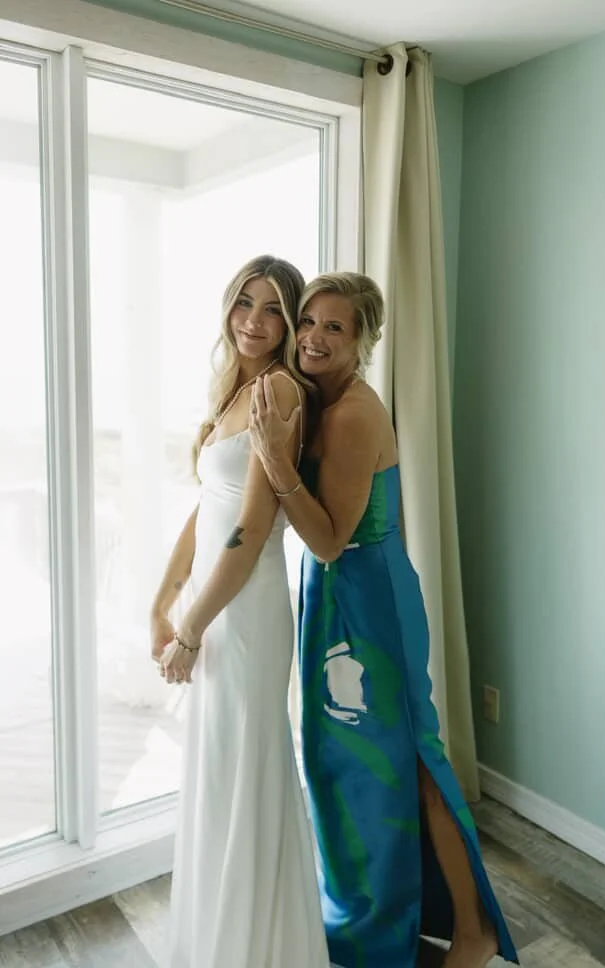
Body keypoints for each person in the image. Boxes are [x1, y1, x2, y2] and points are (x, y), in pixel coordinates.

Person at [249, 271, 519, 968]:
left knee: (414, 763)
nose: (312, 336)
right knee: (347, 765)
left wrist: (278, 465)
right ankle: (371, 916)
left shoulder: (352, 414)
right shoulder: (317, 399)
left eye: (334, 327)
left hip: (369, 600)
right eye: (308, 320)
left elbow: (332, 538)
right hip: (338, 596)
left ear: (362, 340)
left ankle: (473, 930)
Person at [149, 255, 329, 968]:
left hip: (246, 613)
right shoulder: (237, 387)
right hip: (215, 604)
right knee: (220, 776)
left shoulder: (281, 390)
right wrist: (163, 602)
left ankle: (258, 947)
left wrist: (190, 629)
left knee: (247, 772)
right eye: (244, 304)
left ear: (288, 323)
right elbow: (207, 510)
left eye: (273, 309)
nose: (254, 321)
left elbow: (251, 531)